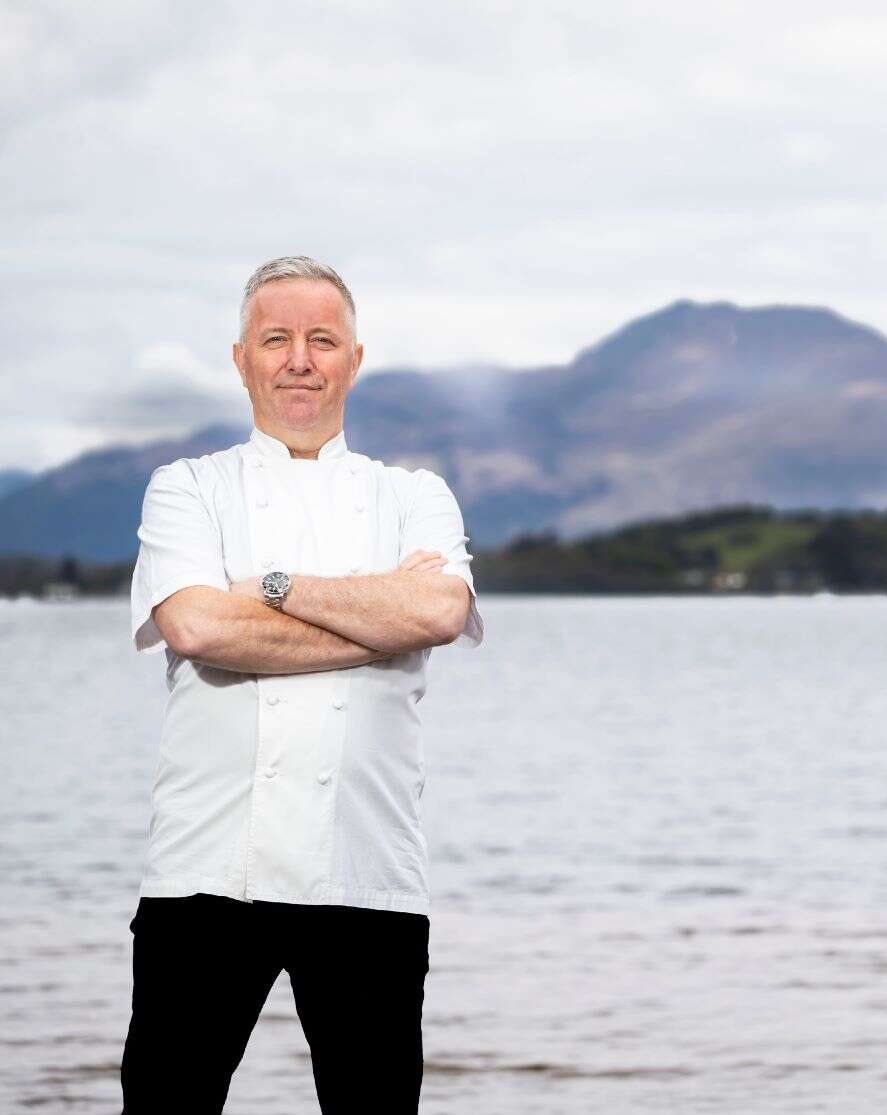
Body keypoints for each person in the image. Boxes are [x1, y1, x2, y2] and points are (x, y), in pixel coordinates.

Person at [121, 256, 484, 1113]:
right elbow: (199, 628)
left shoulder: (413, 495)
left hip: (368, 873)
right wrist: (375, 625)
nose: (299, 358)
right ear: (241, 358)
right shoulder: (188, 488)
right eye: (276, 338)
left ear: (355, 359)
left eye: (322, 339)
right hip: (205, 871)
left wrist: (272, 588)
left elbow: (437, 609)